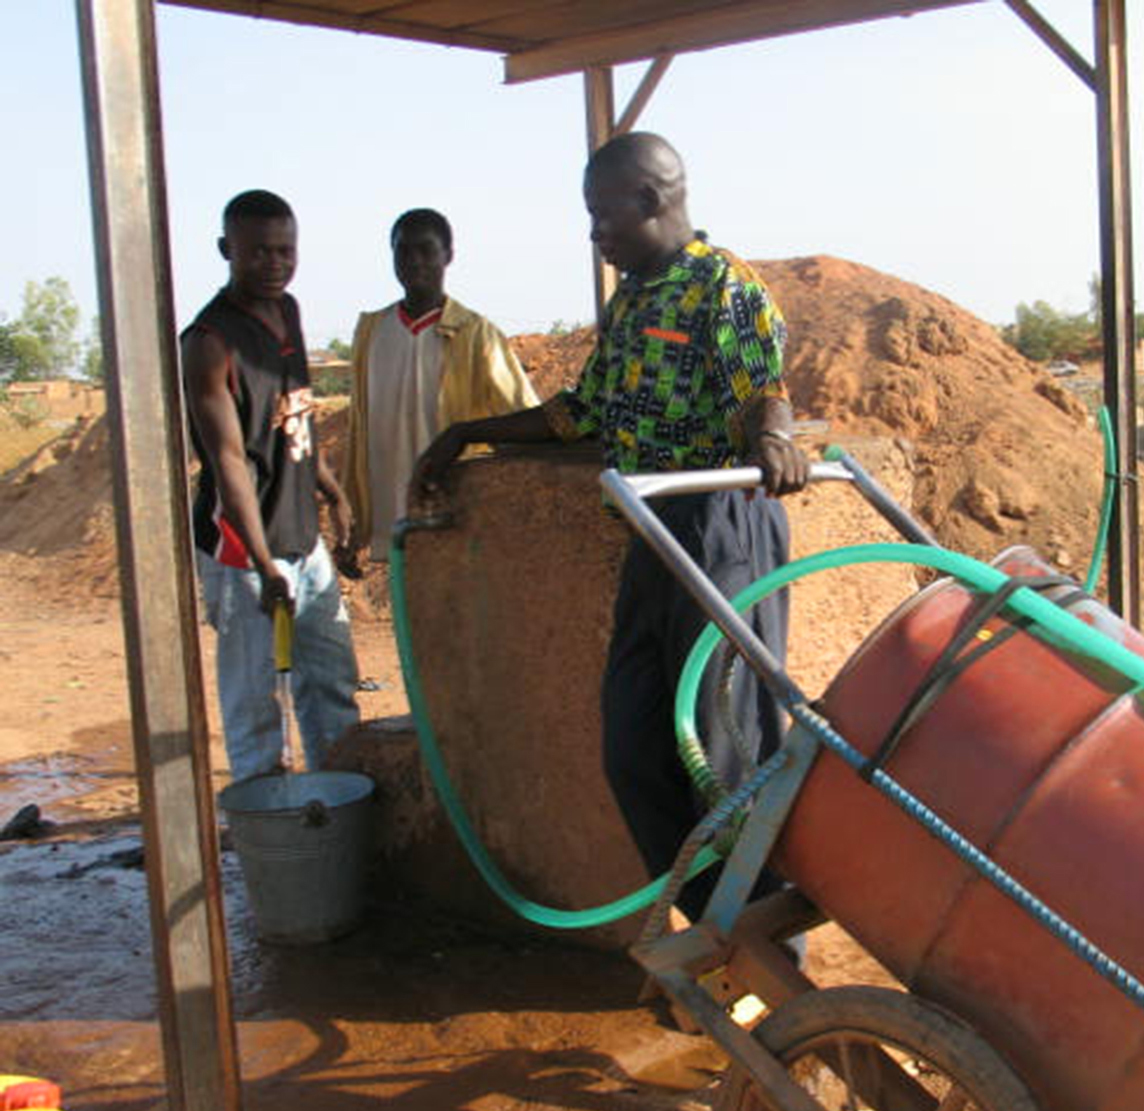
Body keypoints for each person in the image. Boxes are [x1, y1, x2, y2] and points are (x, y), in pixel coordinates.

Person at [414, 132, 809, 918]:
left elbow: (764, 386)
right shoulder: (630, 301)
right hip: (649, 534)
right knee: (631, 746)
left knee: (725, 754)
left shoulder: (720, 287)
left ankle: (765, 945)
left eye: (602, 216)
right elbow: (581, 413)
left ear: (652, 201)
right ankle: (714, 927)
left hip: (720, 528)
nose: (594, 234)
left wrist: (776, 435)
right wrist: (468, 433)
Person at [183, 189, 361, 782]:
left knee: (331, 690)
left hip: (301, 538)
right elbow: (229, 458)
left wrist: (331, 492)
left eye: (285, 251)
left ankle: (334, 822)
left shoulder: (287, 311)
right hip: (242, 551)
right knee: (257, 709)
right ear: (225, 250)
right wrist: (263, 566)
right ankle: (274, 847)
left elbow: (296, 419)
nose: (274, 264)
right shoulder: (209, 342)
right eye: (258, 252)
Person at [340, 208, 538, 565]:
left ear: (448, 255)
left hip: (454, 517)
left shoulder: (477, 335)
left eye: (426, 250)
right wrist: (358, 522)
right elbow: (359, 431)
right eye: (403, 251)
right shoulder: (371, 333)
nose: (414, 261)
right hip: (393, 520)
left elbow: (522, 414)